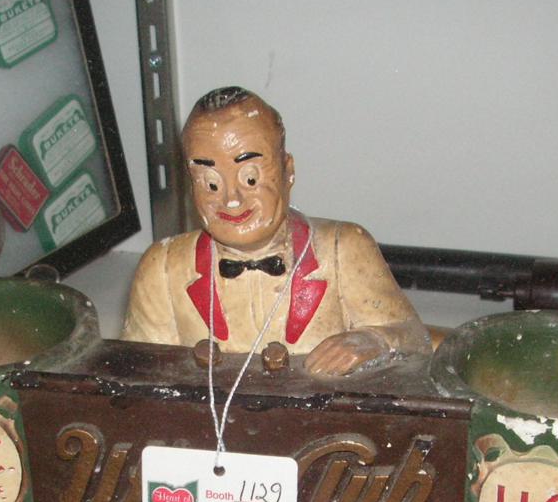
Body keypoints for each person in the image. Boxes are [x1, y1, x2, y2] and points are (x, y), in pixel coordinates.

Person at [121, 87, 429, 376]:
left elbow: (416, 339)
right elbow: (137, 372)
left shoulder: (343, 250)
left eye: (250, 179)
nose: (231, 199)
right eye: (211, 183)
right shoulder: (163, 269)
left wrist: (374, 340)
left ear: (287, 170)